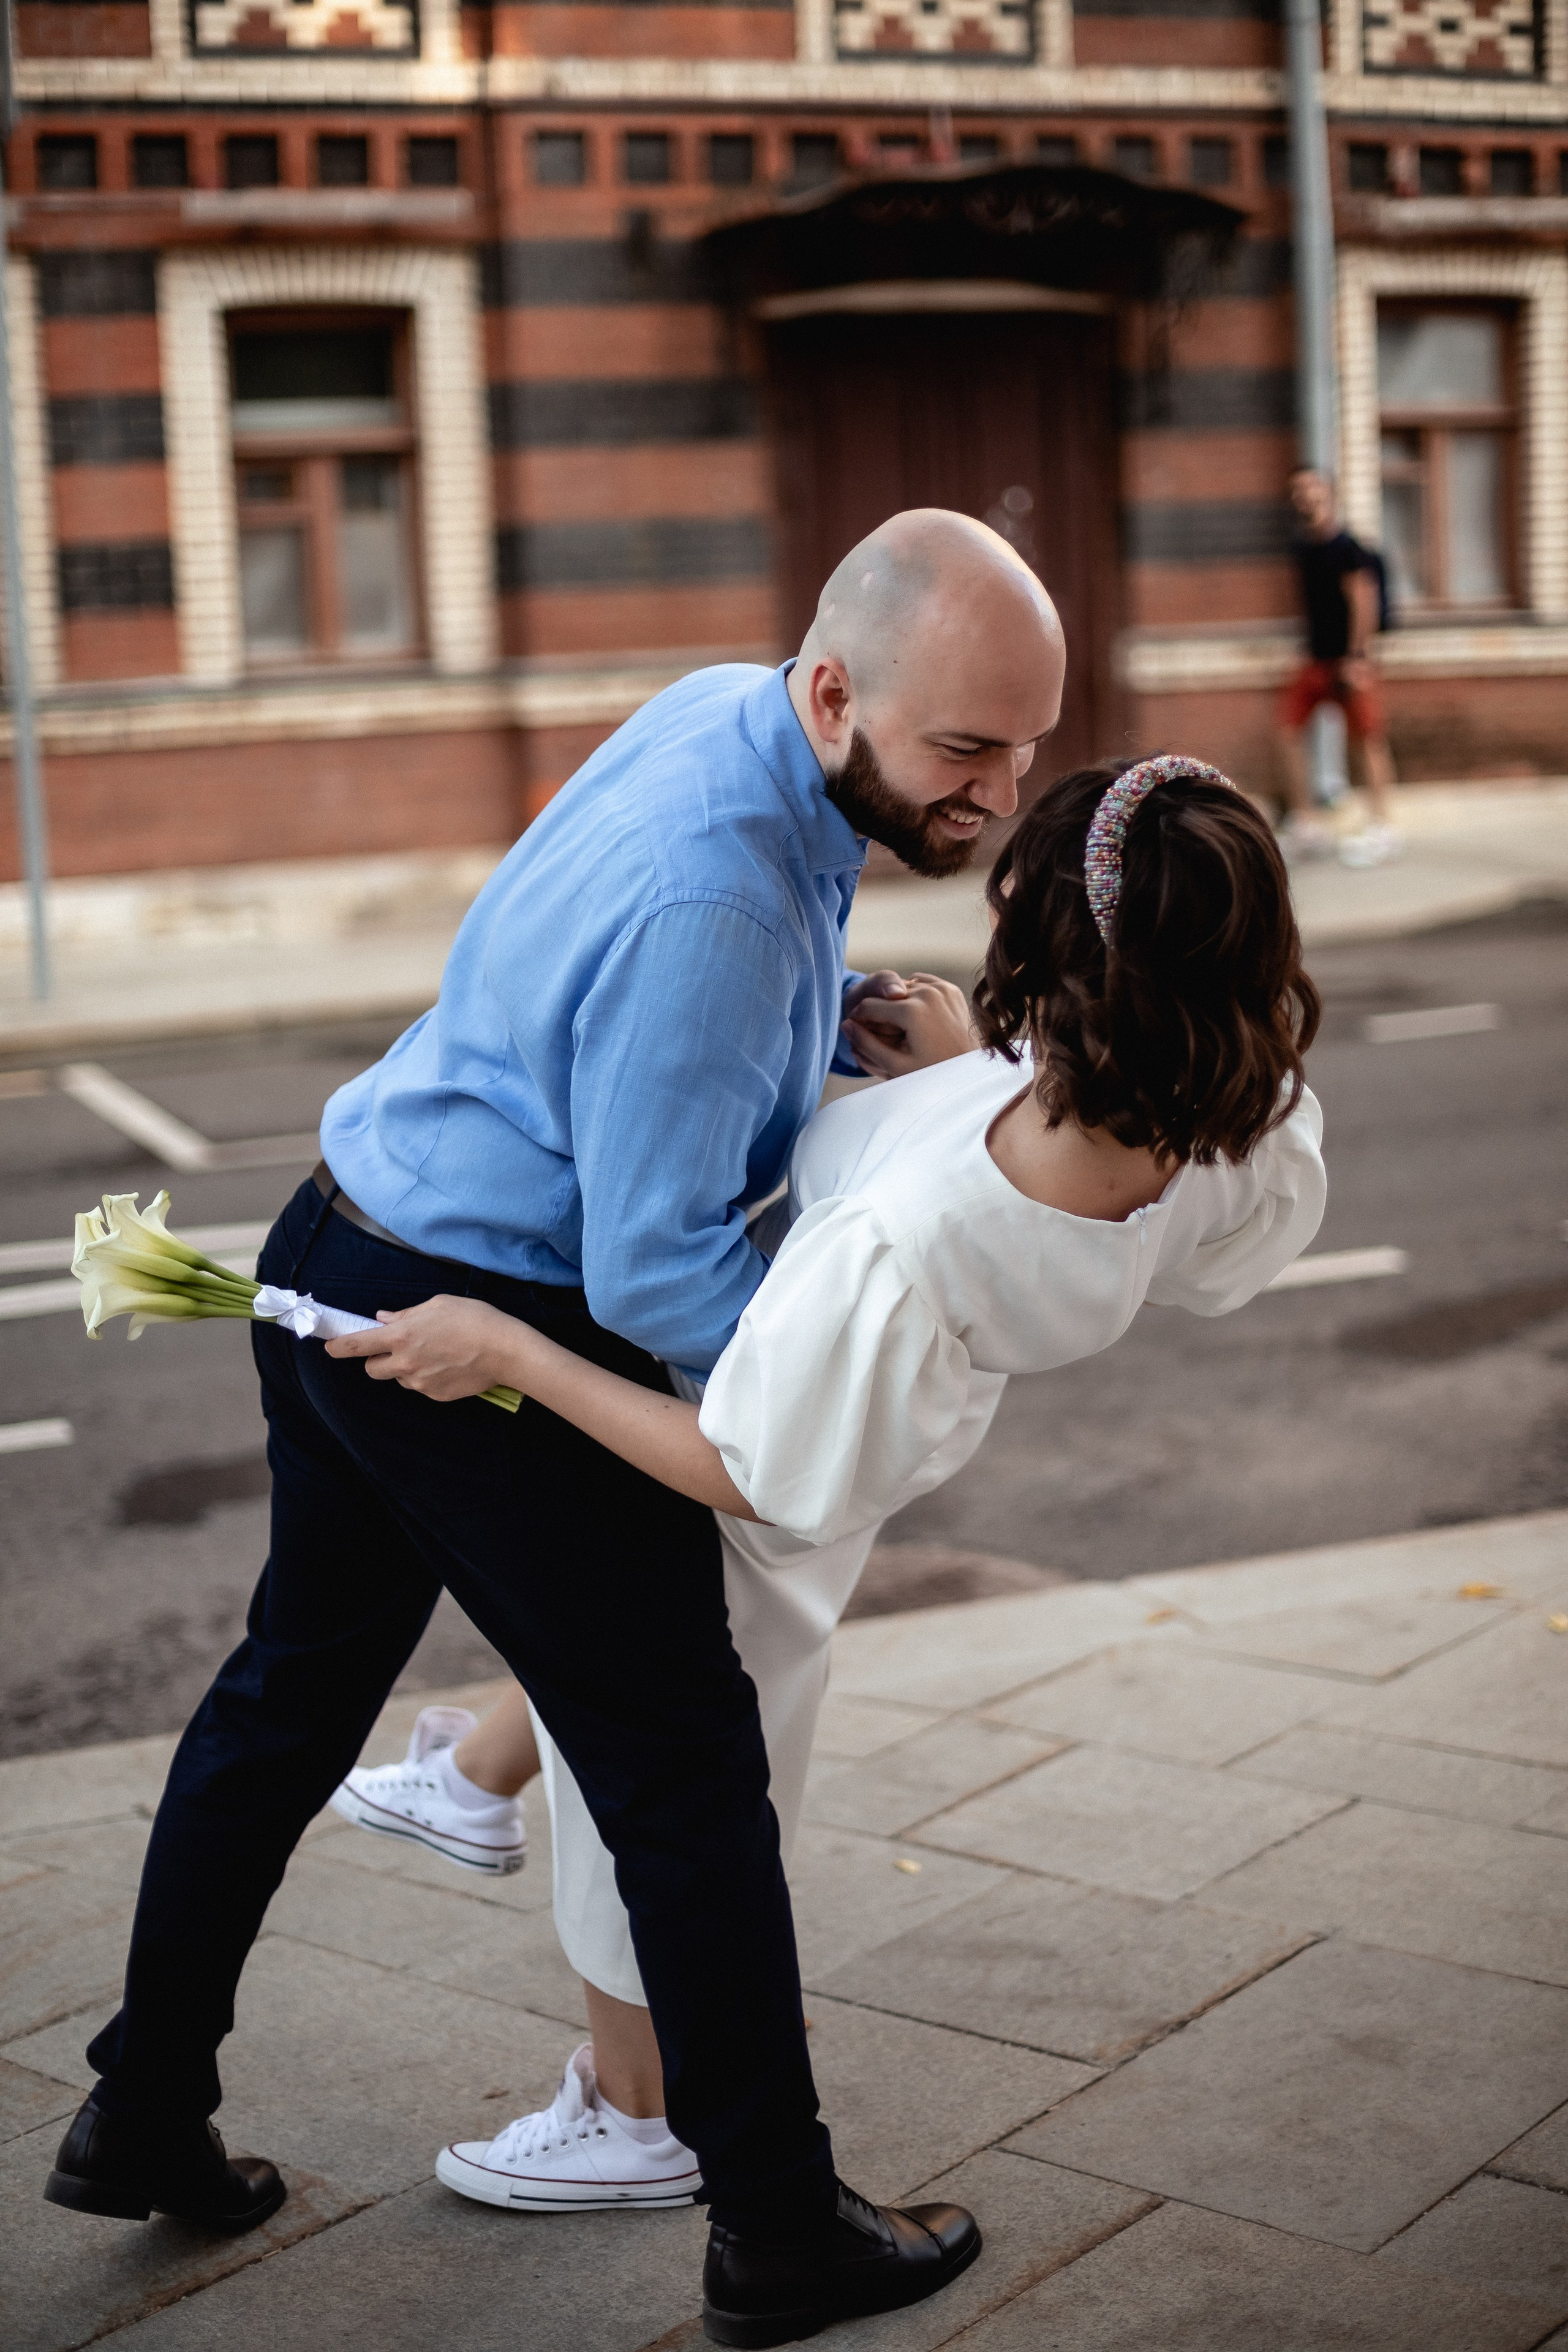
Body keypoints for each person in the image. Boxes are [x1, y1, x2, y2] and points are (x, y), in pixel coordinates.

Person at [44, 508, 1065, 2352]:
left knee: (285, 1697)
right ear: (834, 693)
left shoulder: (725, 709)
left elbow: (629, 1010)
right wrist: (839, 1380)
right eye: (963, 749)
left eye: (1025, 749)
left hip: (345, 1234)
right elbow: (659, 1264)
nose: (996, 792)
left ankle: (142, 2106)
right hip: (477, 1332)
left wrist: (800, 1036)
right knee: (685, 1766)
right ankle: (777, 2228)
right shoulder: (723, 900)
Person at [322, 754, 1327, 2236]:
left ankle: (636, 2117)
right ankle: (474, 1775)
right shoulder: (1235, 1110)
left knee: (653, 1767)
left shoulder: (909, 1233)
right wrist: (967, 1075)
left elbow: (743, 1463)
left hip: (783, 1443)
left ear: (1044, 942)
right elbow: (1166, 1231)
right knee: (651, 1690)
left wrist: (511, 1350)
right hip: (875, 1417)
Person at [1276, 466, 1402, 869]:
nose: (1305, 496)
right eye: (1298, 490)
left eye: (1313, 488)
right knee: (1287, 732)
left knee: (1367, 740)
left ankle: (1382, 828)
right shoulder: (1303, 549)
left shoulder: (1348, 549)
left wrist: (1358, 658)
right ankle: (1306, 824)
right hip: (1315, 660)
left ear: (1330, 495)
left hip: (1349, 663)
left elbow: (1364, 603)